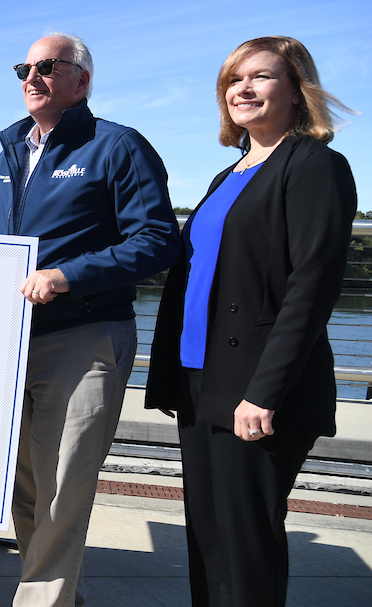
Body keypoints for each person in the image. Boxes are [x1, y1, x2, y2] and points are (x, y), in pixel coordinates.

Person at [146, 37, 357, 606]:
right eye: (233, 80)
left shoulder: (315, 165)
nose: (243, 89)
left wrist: (264, 392)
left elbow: (311, 288)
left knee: (245, 548)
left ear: (297, 90)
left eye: (260, 76)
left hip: (256, 389)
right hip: (201, 381)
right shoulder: (227, 175)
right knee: (207, 541)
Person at [0, 34, 180, 607]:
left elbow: (158, 239)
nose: (32, 76)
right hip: (17, 342)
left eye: (47, 66)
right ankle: (59, 597)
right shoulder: (5, 159)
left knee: (61, 491)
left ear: (82, 80)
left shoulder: (117, 146)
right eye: (24, 68)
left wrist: (68, 275)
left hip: (85, 336)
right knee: (24, 491)